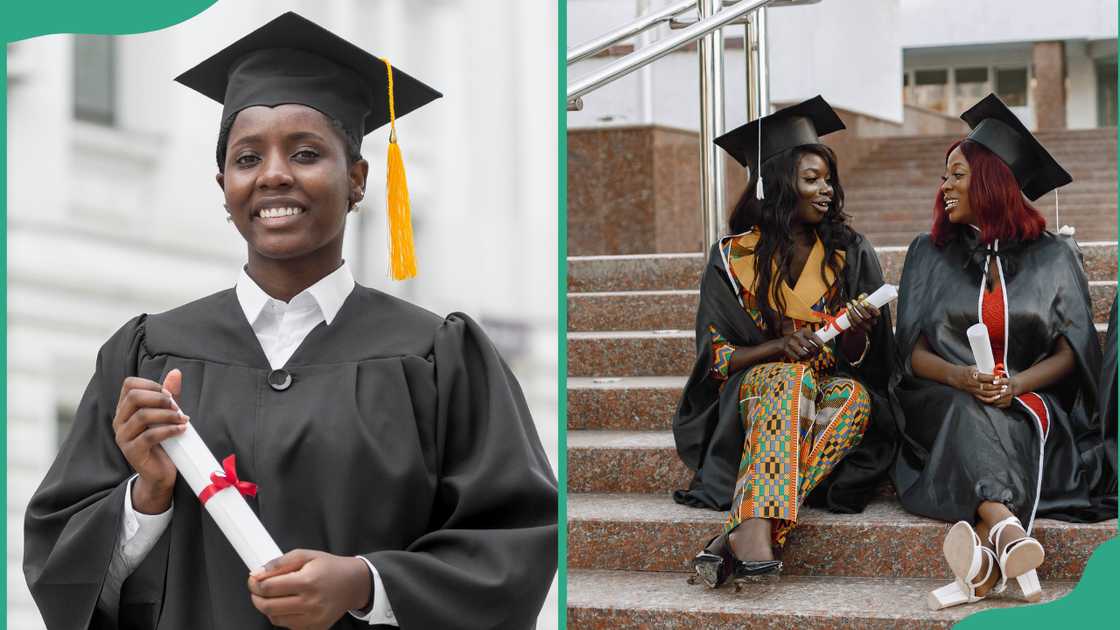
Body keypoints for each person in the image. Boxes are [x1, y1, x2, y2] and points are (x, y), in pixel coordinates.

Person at [23, 12, 557, 630]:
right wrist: (147, 498)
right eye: (247, 158)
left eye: (306, 153)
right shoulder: (147, 355)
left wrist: (367, 584)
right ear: (224, 185)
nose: (274, 173)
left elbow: (514, 544)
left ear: (357, 179)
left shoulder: (439, 357)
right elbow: (58, 570)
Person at [891, 93, 1116, 610]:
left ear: (991, 181)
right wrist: (962, 377)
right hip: (944, 399)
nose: (943, 186)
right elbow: (913, 353)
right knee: (969, 408)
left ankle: (991, 551)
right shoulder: (930, 253)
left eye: (956, 175)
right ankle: (1011, 532)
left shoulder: (1055, 255)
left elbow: (1072, 352)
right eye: (945, 176)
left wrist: (1016, 384)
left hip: (1029, 400)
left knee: (998, 413)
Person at [672, 96, 899, 590]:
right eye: (811, 179)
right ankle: (755, 530)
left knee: (855, 399)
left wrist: (859, 329)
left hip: (823, 393)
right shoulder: (732, 260)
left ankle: (745, 528)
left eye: (828, 179)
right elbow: (715, 358)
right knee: (786, 374)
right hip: (747, 402)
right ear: (777, 185)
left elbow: (868, 359)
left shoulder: (849, 250)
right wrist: (777, 347)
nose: (827, 190)